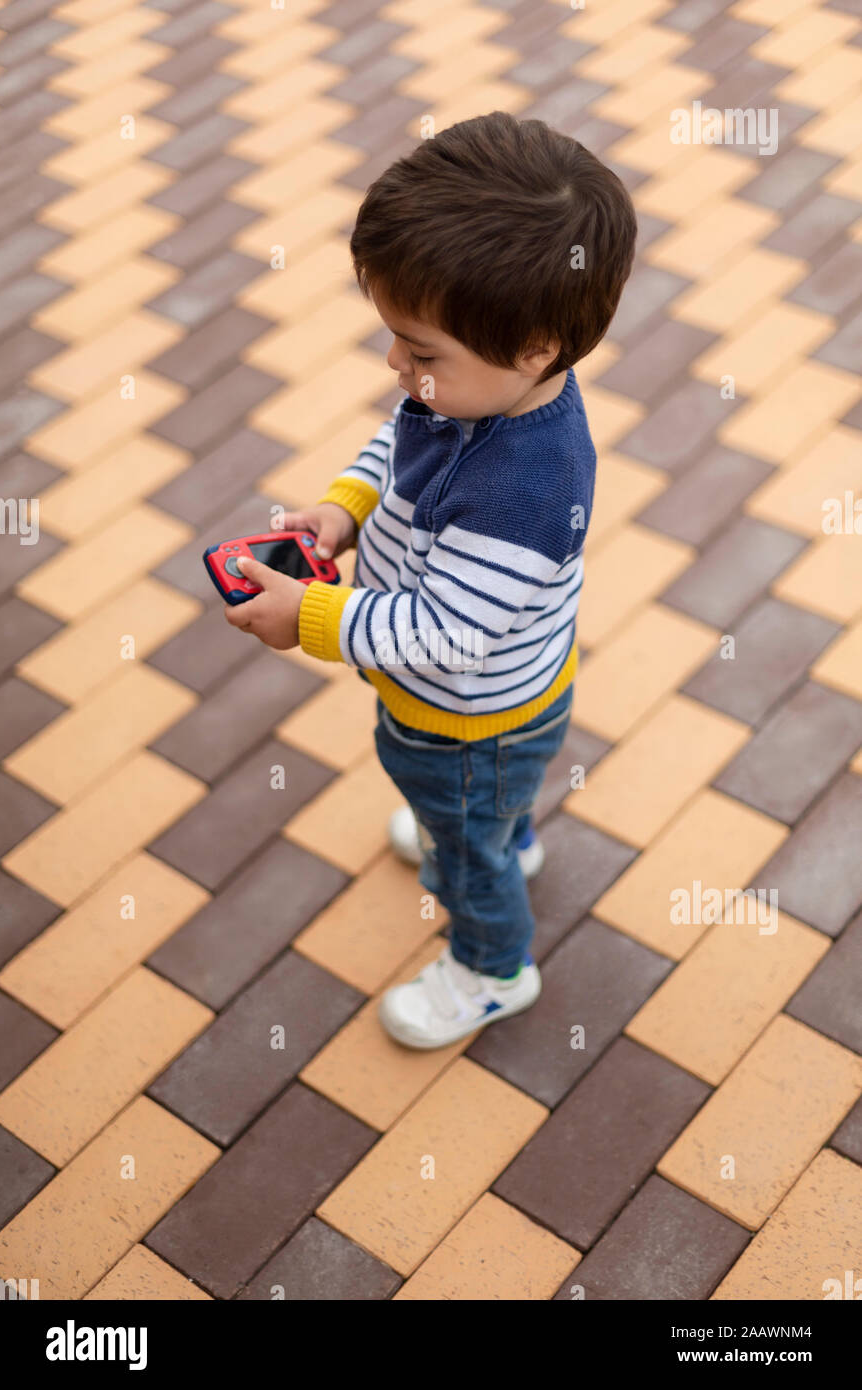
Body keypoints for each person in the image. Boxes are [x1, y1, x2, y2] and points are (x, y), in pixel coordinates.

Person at [224, 110, 637, 1049]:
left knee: (461, 855)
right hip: (489, 714)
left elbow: (447, 633)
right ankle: (504, 835)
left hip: (466, 719)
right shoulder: (474, 388)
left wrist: (313, 619)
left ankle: (492, 966)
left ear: (535, 346)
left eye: (418, 351)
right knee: (484, 811)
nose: (396, 364)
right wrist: (345, 509)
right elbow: (398, 439)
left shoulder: (526, 489)